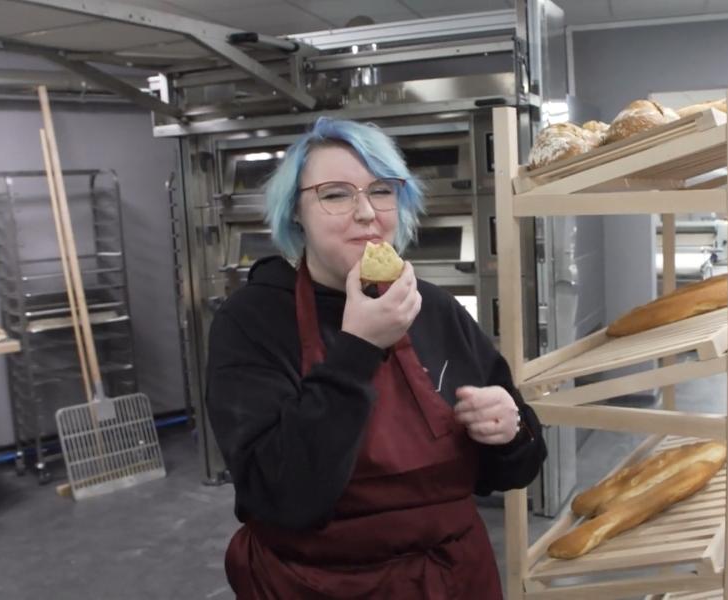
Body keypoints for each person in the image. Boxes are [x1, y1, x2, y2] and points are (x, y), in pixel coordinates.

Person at [205, 117, 547, 599]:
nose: (365, 212)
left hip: (453, 580)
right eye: (336, 194)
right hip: (317, 585)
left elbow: (514, 470)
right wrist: (360, 348)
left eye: (381, 190)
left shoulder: (435, 308)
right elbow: (280, 494)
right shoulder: (251, 321)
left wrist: (510, 433)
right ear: (295, 211)